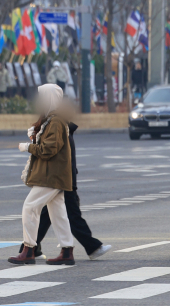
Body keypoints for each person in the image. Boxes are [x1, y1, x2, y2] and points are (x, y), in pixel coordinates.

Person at [18, 99, 111, 261]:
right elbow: (50, 152)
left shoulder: (59, 125)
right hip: (58, 179)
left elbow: (55, 153)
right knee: (58, 213)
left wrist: (31, 142)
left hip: (58, 178)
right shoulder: (57, 125)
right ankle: (86, 248)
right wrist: (30, 143)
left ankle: (35, 249)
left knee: (52, 213)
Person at [9, 84, 75, 265]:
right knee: (58, 213)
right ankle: (67, 251)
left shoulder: (55, 121)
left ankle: (29, 249)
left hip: (51, 175)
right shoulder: (54, 119)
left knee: (30, 207)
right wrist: (34, 137)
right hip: (55, 174)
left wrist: (27, 147)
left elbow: (48, 149)